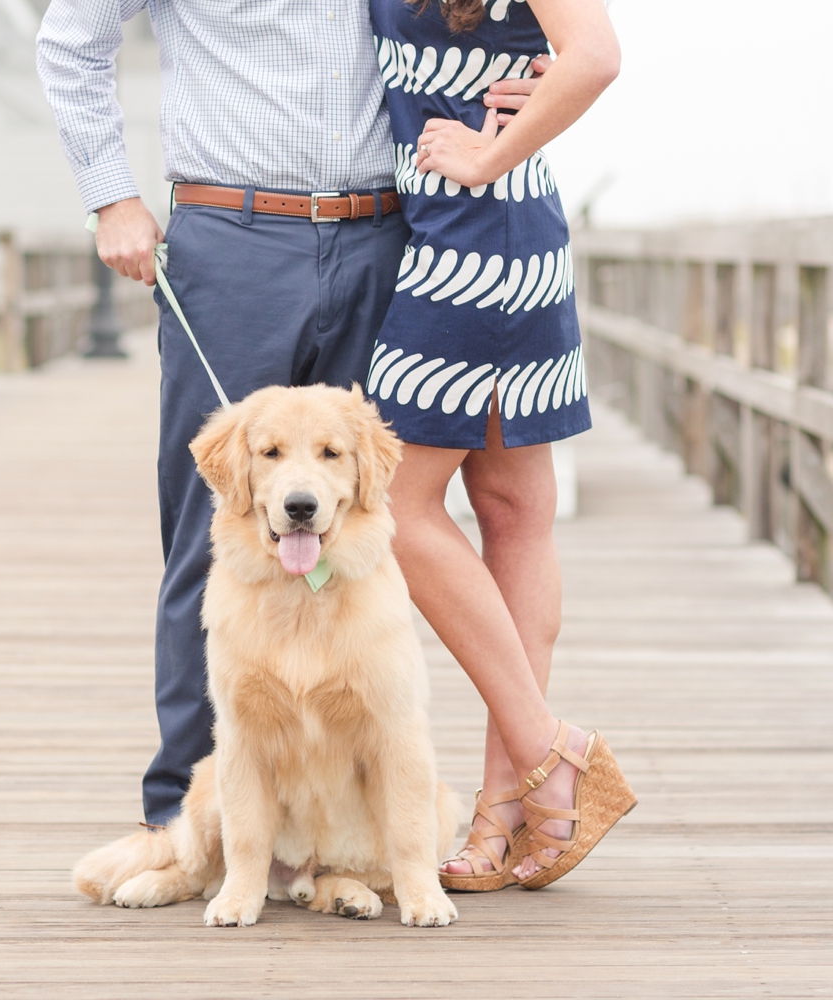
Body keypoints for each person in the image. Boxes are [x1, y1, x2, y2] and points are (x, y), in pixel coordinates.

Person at [35, 1, 546, 828]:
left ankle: (341, 814)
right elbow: (70, 40)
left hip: (386, 238)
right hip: (232, 239)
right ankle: (187, 817)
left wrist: (534, 68)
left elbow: (463, 25)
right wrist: (110, 197)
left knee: (364, 533)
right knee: (220, 527)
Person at [366, 0, 631, 890]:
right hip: (489, 240)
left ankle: (547, 750)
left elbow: (593, 55)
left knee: (392, 507)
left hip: (472, 246)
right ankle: (506, 817)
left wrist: (485, 155)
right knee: (514, 514)